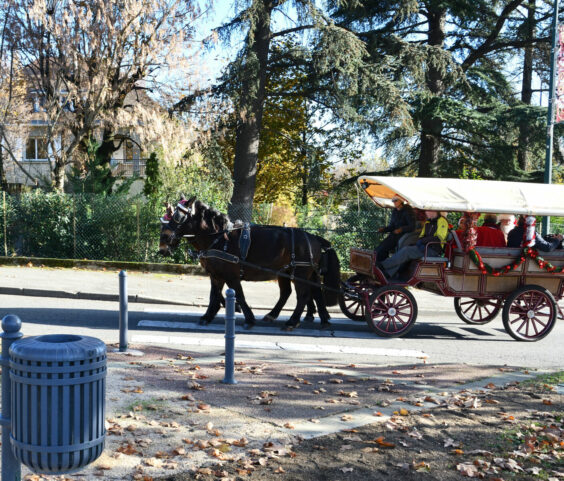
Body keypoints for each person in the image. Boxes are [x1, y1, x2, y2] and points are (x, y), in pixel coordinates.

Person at [378, 211, 449, 280]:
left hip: (433, 250)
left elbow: (439, 238)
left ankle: (383, 266)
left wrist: (422, 241)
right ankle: (387, 273)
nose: (426, 213)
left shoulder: (442, 221)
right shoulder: (428, 222)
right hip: (425, 248)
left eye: (427, 211)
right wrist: (419, 241)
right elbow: (421, 235)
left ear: (433, 211)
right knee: (406, 250)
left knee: (406, 251)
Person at [374, 196, 416, 261]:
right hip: (394, 235)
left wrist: (401, 229)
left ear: (401, 201)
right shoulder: (395, 211)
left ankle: (381, 265)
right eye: (393, 201)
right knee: (379, 248)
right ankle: (380, 264)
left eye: (396, 200)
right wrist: (384, 229)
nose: (394, 202)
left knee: (383, 248)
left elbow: (412, 226)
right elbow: (392, 226)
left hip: (403, 235)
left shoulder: (408, 210)